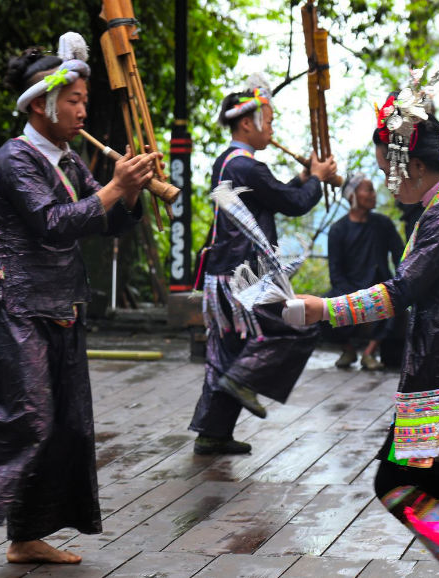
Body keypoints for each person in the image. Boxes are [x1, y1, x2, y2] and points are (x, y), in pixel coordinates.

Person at [0, 33, 159, 568]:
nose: (84, 109)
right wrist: (111, 189)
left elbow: (101, 220)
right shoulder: (14, 159)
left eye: (85, 100)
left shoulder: (66, 158)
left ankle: (26, 536)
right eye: (75, 100)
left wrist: (127, 192)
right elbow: (53, 225)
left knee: (66, 423)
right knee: (27, 413)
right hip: (13, 299)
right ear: (41, 103)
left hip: (61, 301)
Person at [295, 91, 439, 576]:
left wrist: (323, 309)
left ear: (414, 166)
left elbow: (400, 291)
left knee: (394, 484)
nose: (383, 179)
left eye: (387, 169)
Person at [189, 78, 338, 455]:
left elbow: (275, 196)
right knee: (291, 330)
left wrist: (305, 179)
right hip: (246, 278)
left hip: (222, 275)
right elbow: (292, 203)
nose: (271, 127)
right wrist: (317, 178)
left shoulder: (228, 163)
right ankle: (243, 381)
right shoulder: (249, 168)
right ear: (246, 123)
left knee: (227, 351)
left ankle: (213, 432)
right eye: (267, 119)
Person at [327, 172, 404, 370]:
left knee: (397, 304)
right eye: (368, 190)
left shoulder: (383, 224)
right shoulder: (338, 230)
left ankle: (369, 353)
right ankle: (349, 349)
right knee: (321, 309)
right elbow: (335, 272)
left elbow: (400, 256)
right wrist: (350, 295)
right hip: (349, 288)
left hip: (380, 284)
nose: (373, 195)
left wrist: (403, 281)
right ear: (353, 195)